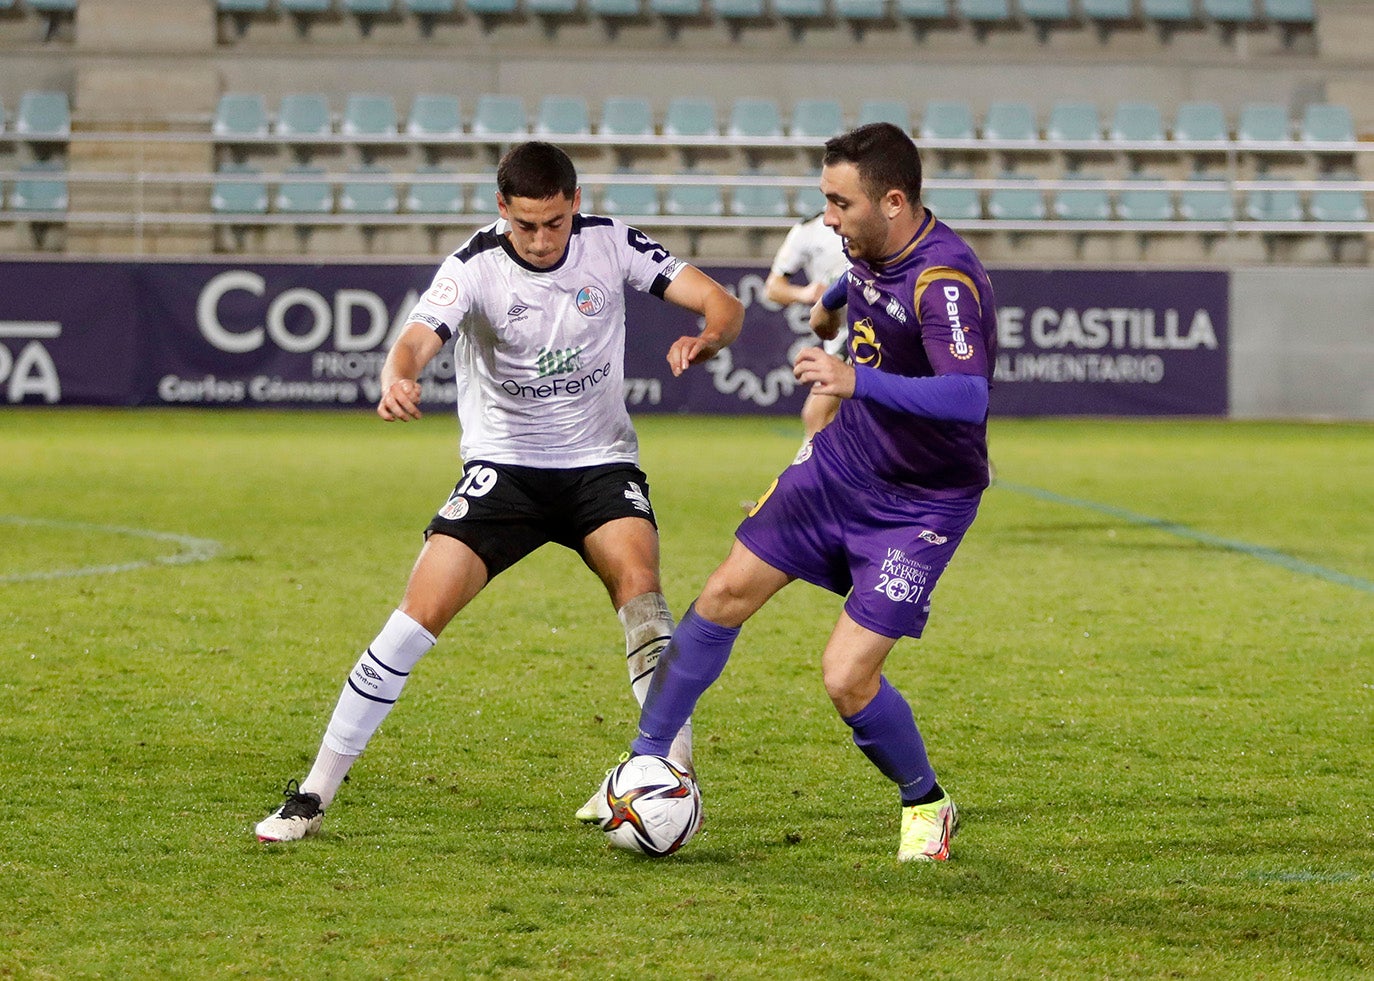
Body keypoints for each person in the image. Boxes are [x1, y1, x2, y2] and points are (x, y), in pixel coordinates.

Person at [256, 141, 745, 843]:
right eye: (526, 225)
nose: (542, 240)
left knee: (642, 588)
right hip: (505, 468)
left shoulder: (611, 244)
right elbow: (416, 339)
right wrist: (399, 376)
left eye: (554, 222)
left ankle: (666, 774)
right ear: (501, 210)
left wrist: (708, 339)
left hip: (599, 465)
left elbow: (721, 303)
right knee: (417, 613)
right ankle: (312, 792)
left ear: (574, 204)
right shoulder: (475, 264)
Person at [598, 122, 998, 862]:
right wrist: (832, 306)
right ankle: (647, 759)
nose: (829, 219)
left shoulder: (945, 281)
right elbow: (859, 279)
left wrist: (855, 378)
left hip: (921, 503)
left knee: (846, 677)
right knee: (722, 593)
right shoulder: (866, 245)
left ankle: (927, 803)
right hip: (841, 466)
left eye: (840, 203)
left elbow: (969, 397)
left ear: (894, 201)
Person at [764, 211, 849, 439]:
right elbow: (773, 288)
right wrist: (805, 293)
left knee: (816, 413)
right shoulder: (808, 230)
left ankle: (808, 470)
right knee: (824, 418)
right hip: (837, 336)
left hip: (869, 331)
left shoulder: (869, 222)